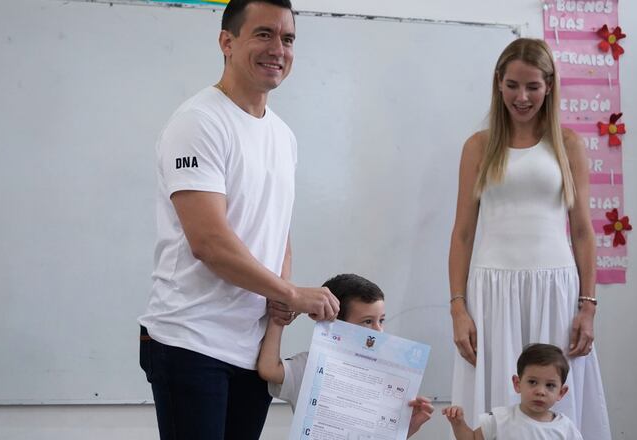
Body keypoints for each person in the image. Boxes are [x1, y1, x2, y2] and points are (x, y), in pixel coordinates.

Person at [137, 1, 340, 439]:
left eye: (288, 39)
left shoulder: (283, 136)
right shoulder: (199, 122)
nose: (278, 49)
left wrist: (281, 306)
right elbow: (209, 242)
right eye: (264, 34)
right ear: (227, 41)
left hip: (251, 348)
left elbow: (277, 229)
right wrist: (291, 292)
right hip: (190, 341)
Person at [447, 38, 610, 438]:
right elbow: (463, 233)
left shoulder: (568, 145)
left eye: (533, 86)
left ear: (549, 86)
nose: (522, 97)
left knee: (553, 396)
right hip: (491, 289)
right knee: (495, 402)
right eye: (513, 85)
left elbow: (583, 232)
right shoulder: (479, 146)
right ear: (499, 83)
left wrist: (588, 306)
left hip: (555, 287)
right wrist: (458, 308)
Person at [257, 273, 434, 438]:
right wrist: (278, 317)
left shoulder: (387, 379)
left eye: (381, 320)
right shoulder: (311, 365)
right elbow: (269, 369)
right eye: (367, 322)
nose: (378, 331)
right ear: (335, 323)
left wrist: (406, 429)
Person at [443, 344, 583, 440]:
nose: (540, 391)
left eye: (550, 385)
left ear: (561, 392)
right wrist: (458, 423)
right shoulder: (500, 419)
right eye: (532, 382)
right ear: (517, 383)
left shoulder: (566, 429)